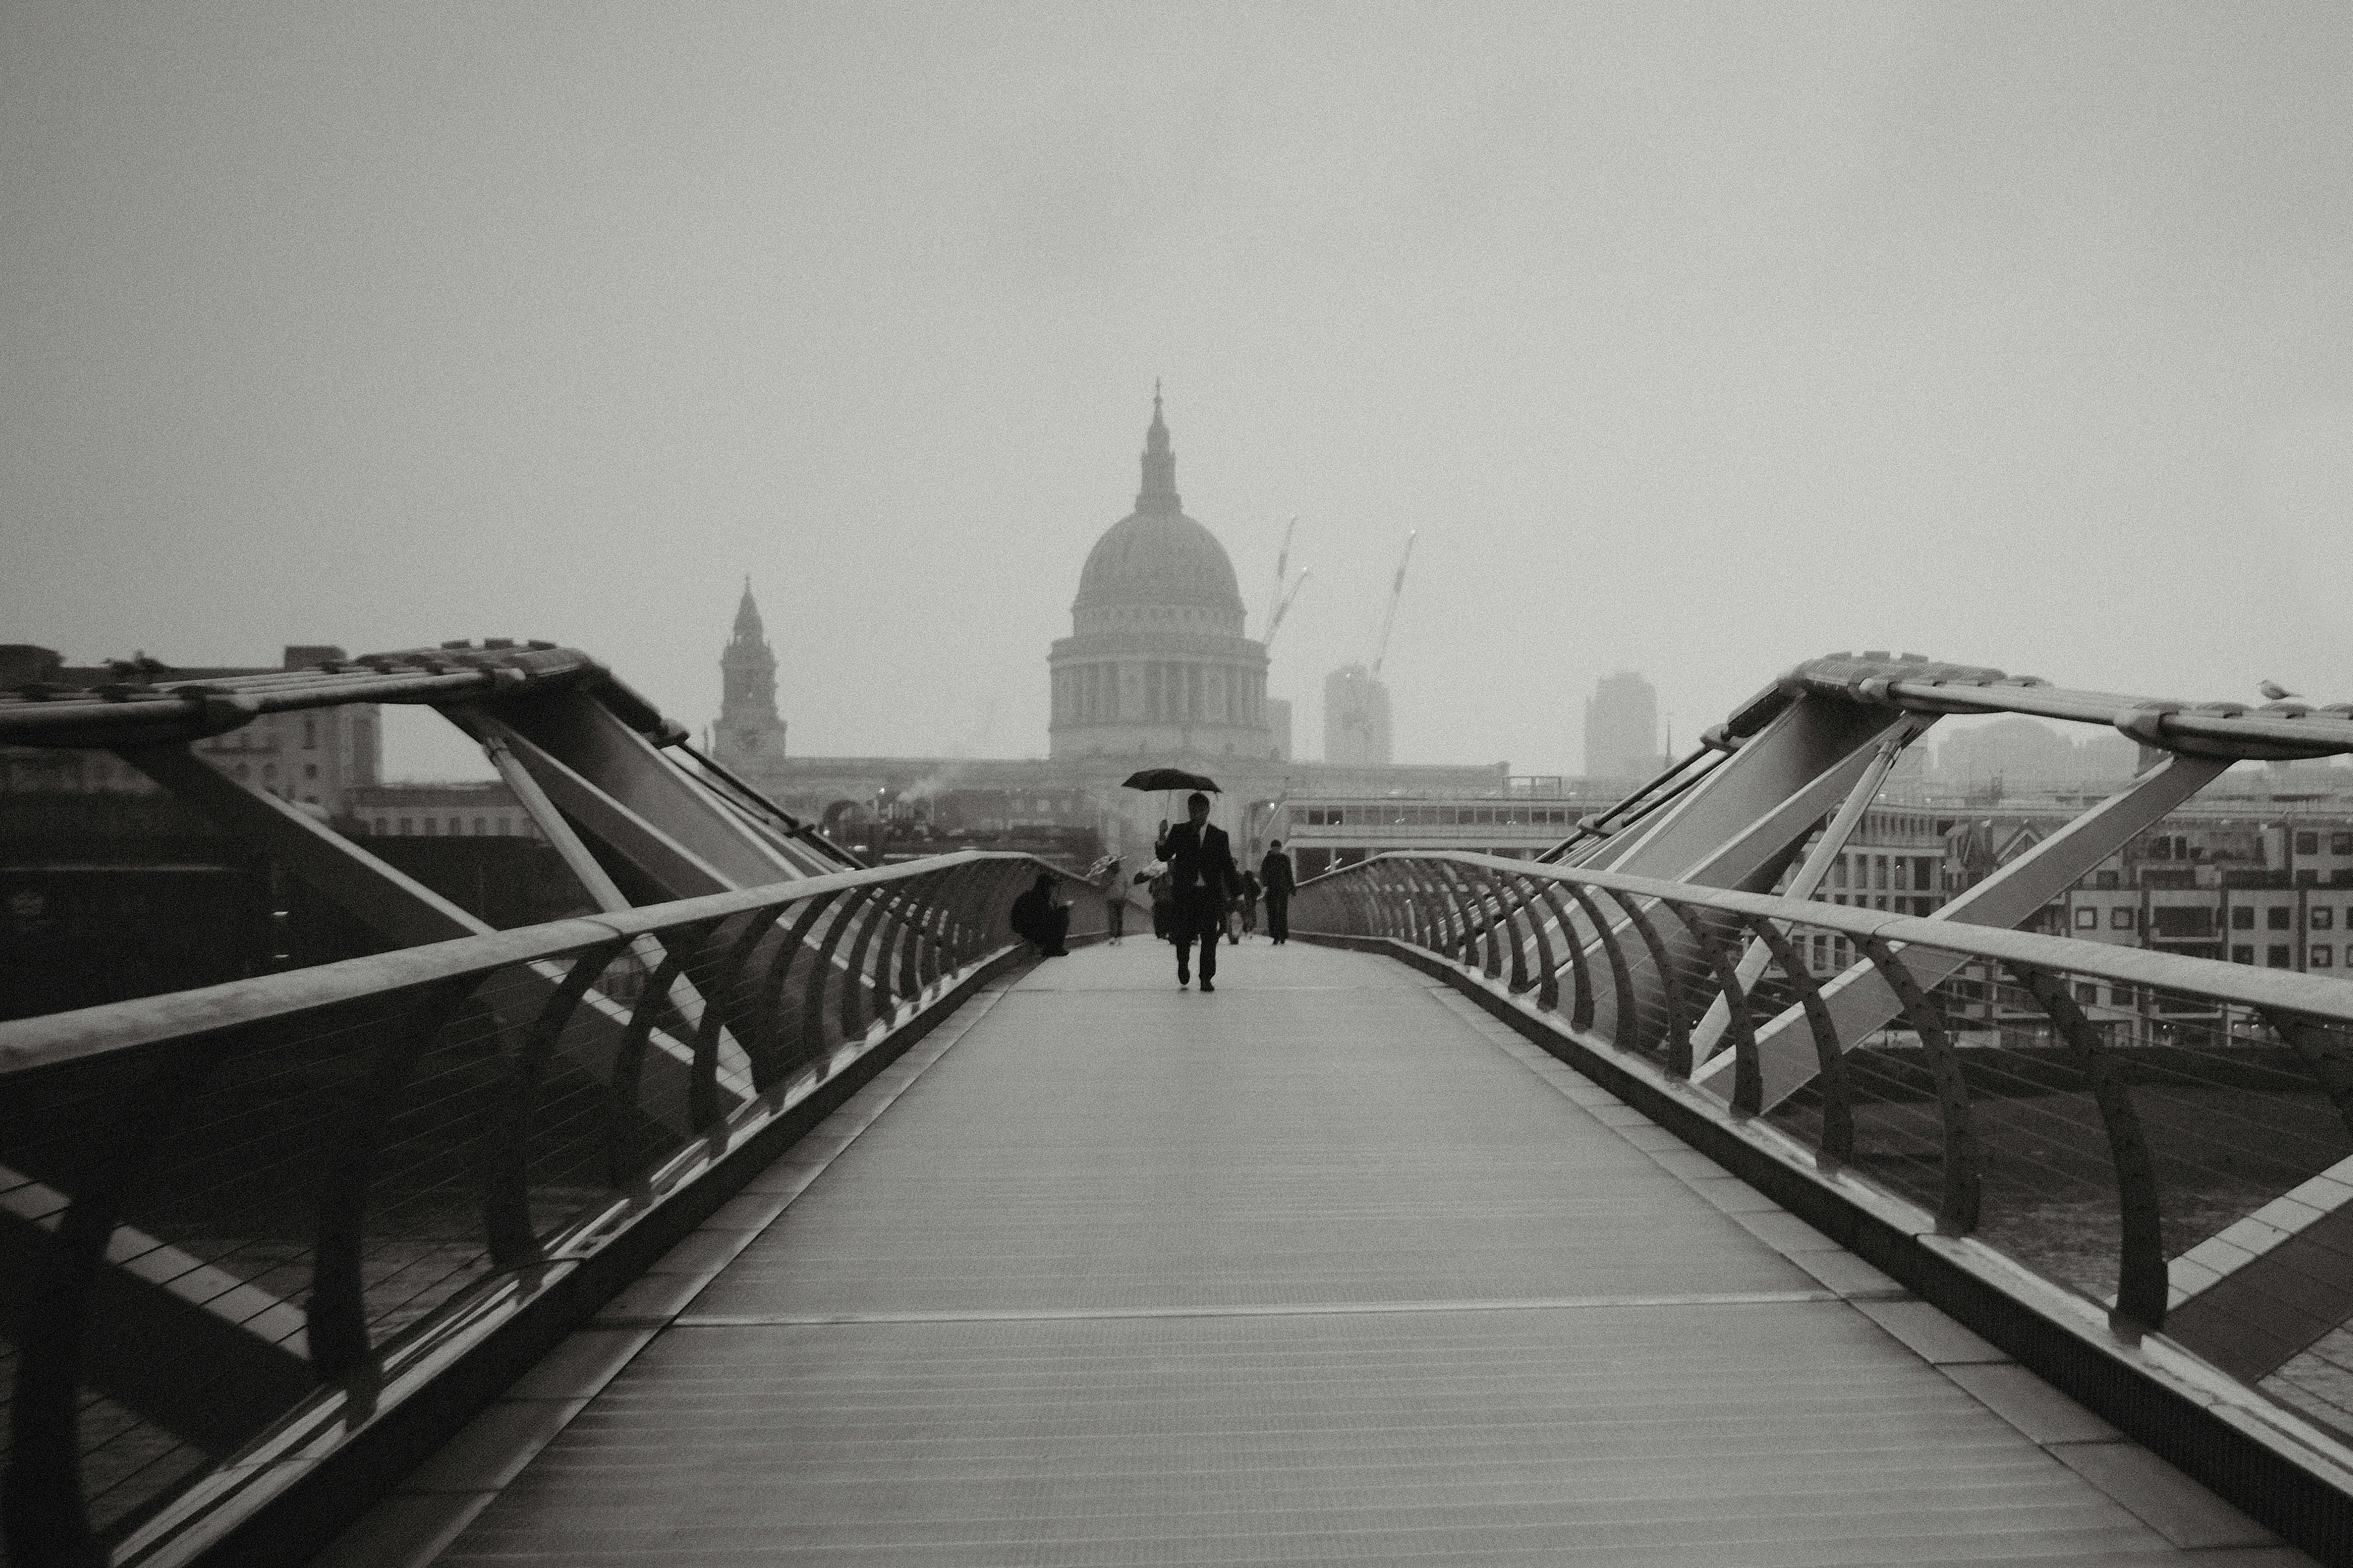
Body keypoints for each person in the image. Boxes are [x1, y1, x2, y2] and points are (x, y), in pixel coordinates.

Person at [1159, 792, 1239, 990]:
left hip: (1210, 895)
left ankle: (1206, 978)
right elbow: (1163, 855)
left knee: (1209, 937)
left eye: (1201, 810)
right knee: (1183, 935)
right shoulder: (1178, 831)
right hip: (1185, 894)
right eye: (1193, 810)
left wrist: (1238, 892)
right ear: (1189, 811)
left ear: (1207, 810)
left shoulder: (1220, 836)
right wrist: (1162, 835)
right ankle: (1183, 965)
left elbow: (1227, 866)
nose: (1197, 814)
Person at [1007, 870, 1070, 957]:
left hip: (1025, 931)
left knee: (1060, 915)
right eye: (1051, 888)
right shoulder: (1040, 899)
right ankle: (1054, 949)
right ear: (1047, 887)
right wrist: (1062, 910)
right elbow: (1046, 920)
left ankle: (1052, 948)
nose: (1052, 891)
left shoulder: (1028, 896)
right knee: (1063, 916)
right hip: (1033, 934)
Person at [1260, 839, 1295, 944]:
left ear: (1280, 848)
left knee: (1282, 913)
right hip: (1273, 890)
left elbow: (1289, 874)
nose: (1276, 850)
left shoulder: (1284, 859)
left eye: (1278, 848)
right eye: (1275, 848)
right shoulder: (1268, 860)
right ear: (1272, 848)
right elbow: (1263, 874)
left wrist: (1292, 888)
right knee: (1273, 914)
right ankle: (1276, 935)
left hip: (1282, 890)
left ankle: (1282, 935)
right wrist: (1266, 883)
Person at [1093, 854, 1127, 943]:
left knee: (1112, 917)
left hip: (1111, 898)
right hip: (1121, 898)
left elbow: (1102, 886)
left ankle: (1112, 936)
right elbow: (1126, 884)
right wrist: (1126, 894)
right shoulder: (1122, 872)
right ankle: (1119, 936)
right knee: (1119, 918)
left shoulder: (1107, 873)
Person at [1238, 868, 1261, 938]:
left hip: (1244, 901)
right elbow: (1259, 891)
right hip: (1252, 902)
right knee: (1251, 915)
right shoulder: (1253, 883)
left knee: (1244, 916)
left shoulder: (1243, 882)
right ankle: (1250, 929)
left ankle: (1245, 930)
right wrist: (1254, 896)